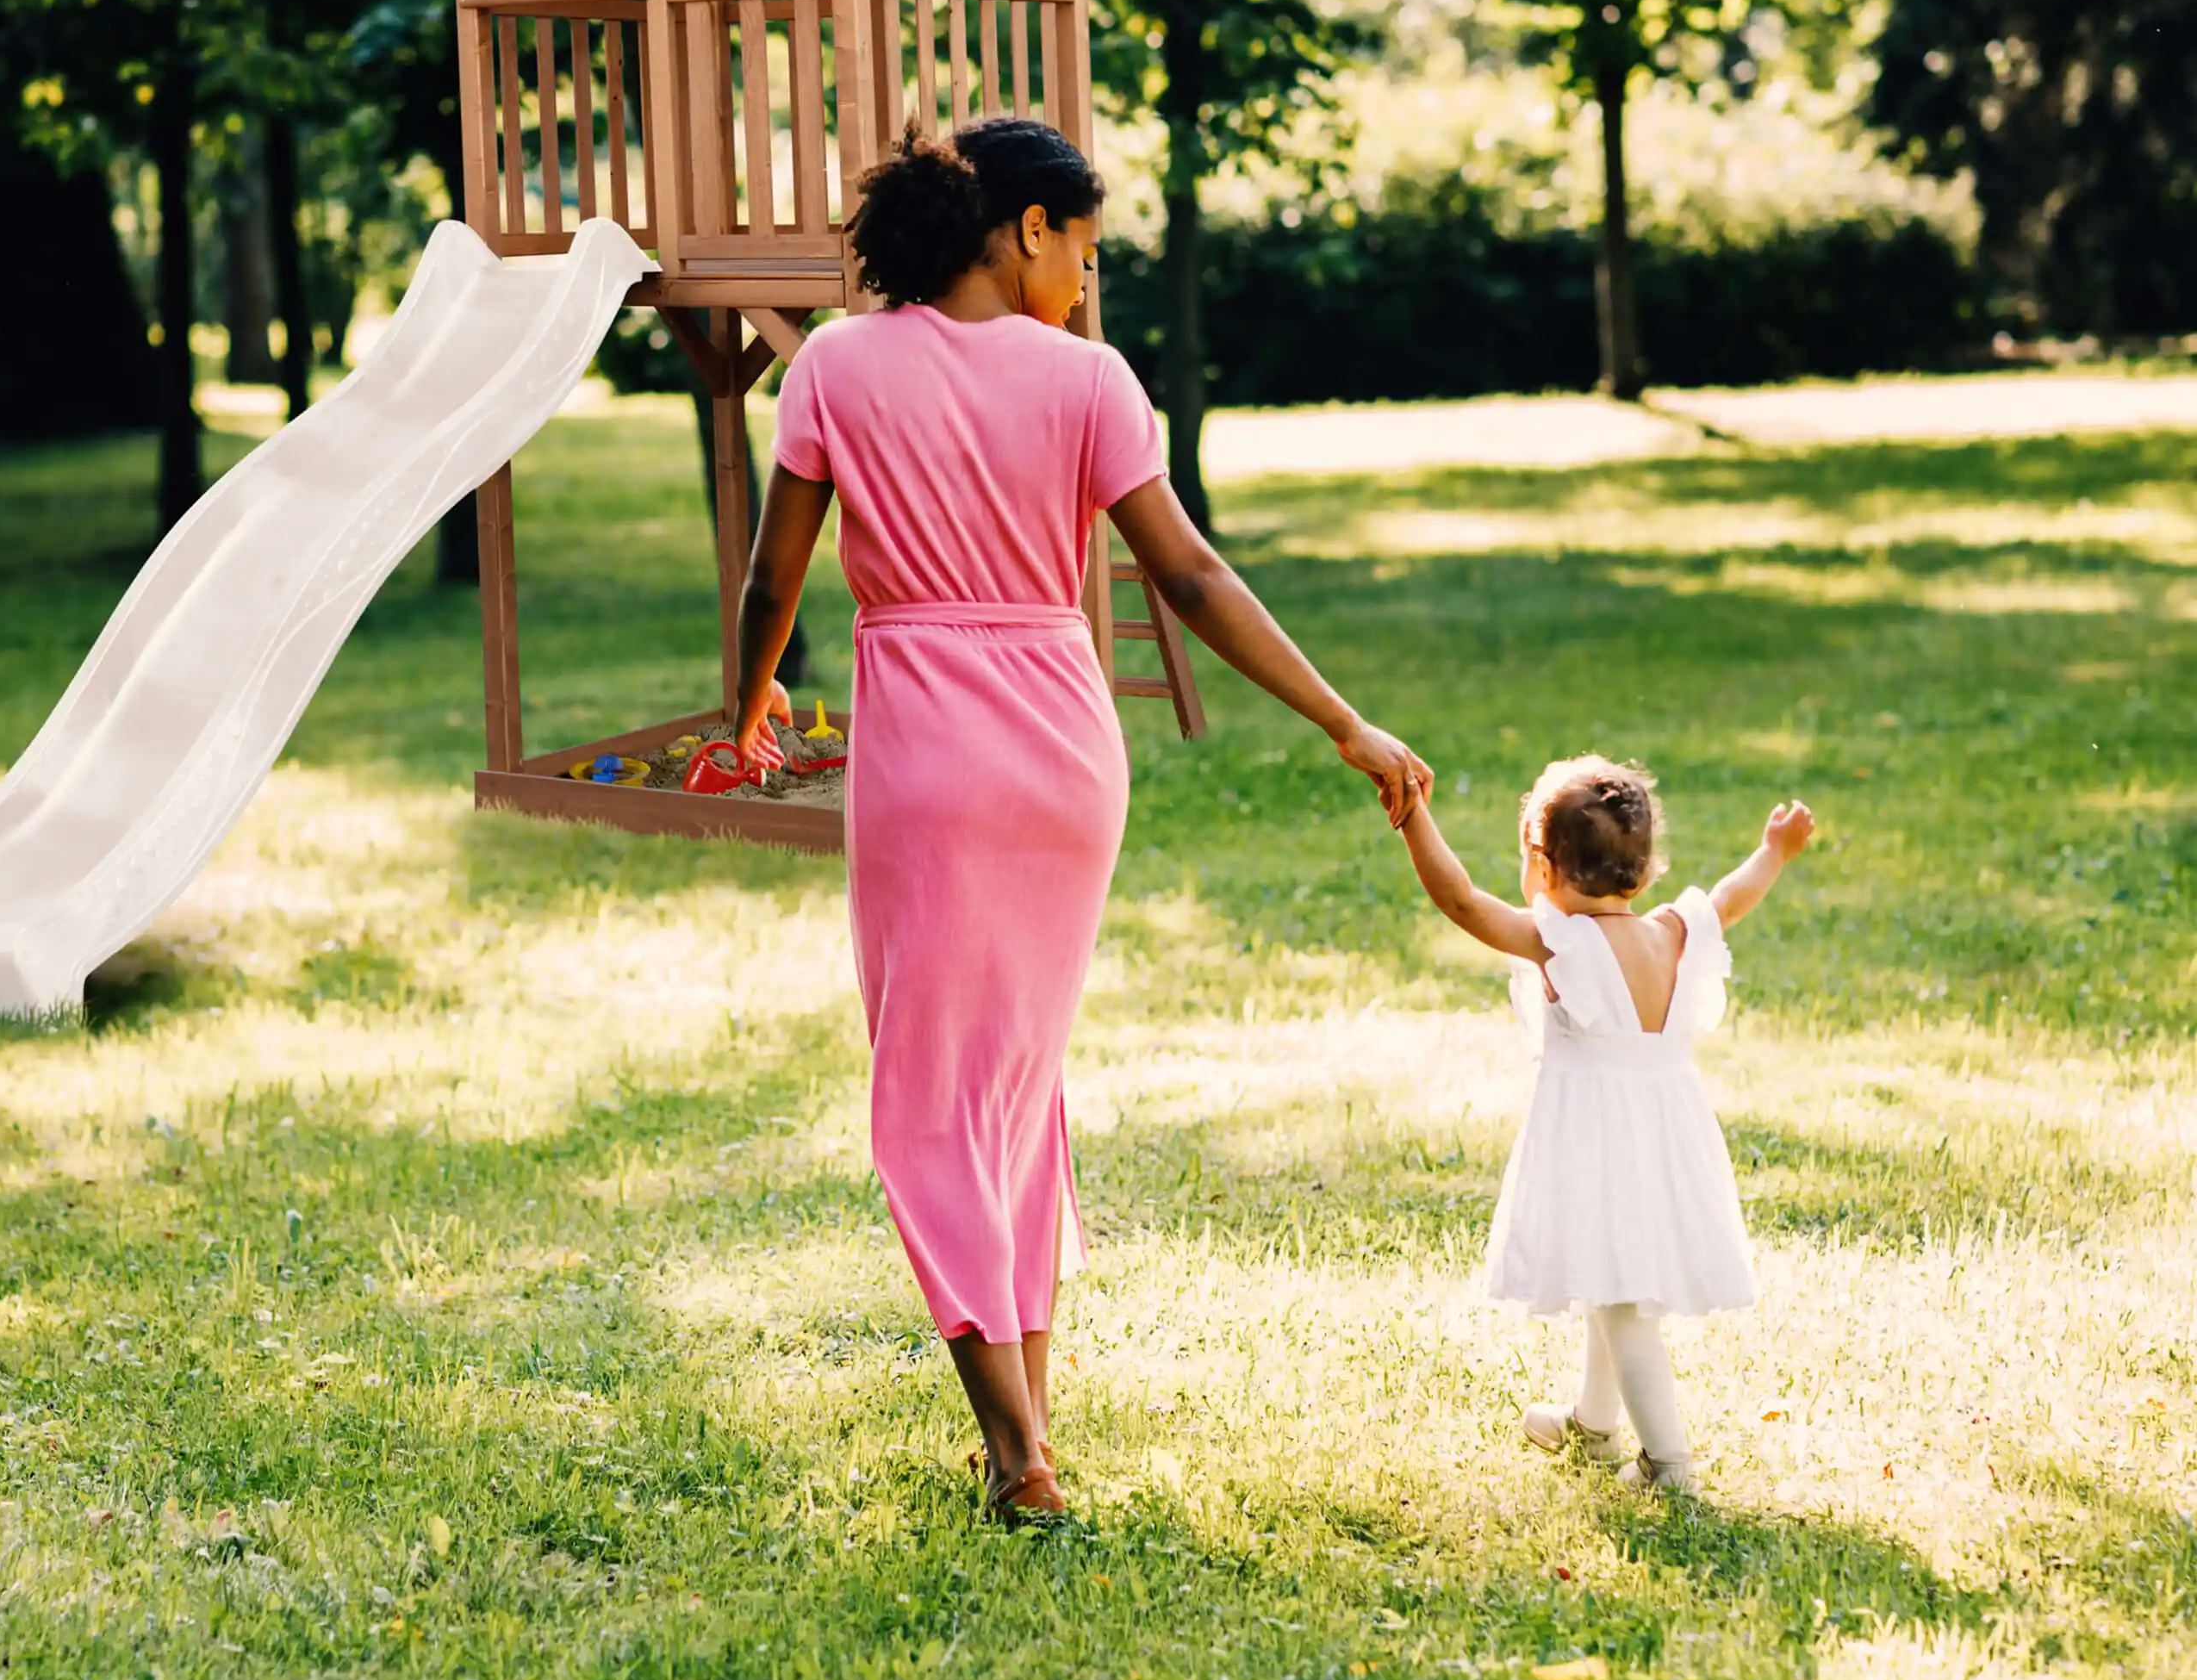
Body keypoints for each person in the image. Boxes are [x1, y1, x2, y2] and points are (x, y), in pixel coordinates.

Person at [730, 120, 1430, 1521]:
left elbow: (774, 579)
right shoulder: (1092, 383)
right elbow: (1189, 578)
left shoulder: (836, 365)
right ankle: (1028, 1428)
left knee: (932, 1098)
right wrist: (1342, 719)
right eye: (1085, 252)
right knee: (1013, 1088)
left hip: (927, 755)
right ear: (1024, 228)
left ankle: (1014, 1451)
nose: (1089, 285)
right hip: (1063, 754)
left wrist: (743, 706)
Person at [1395, 755, 1815, 1492]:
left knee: (1623, 1305)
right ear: (1645, 871)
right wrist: (1773, 852)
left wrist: (1413, 816)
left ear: (1543, 866)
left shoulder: (1561, 944)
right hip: (1665, 1137)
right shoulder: (1674, 931)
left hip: (1598, 1142)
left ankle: (1669, 1464)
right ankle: (1593, 1425)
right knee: (1607, 1275)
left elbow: (1460, 901)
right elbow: (1731, 896)